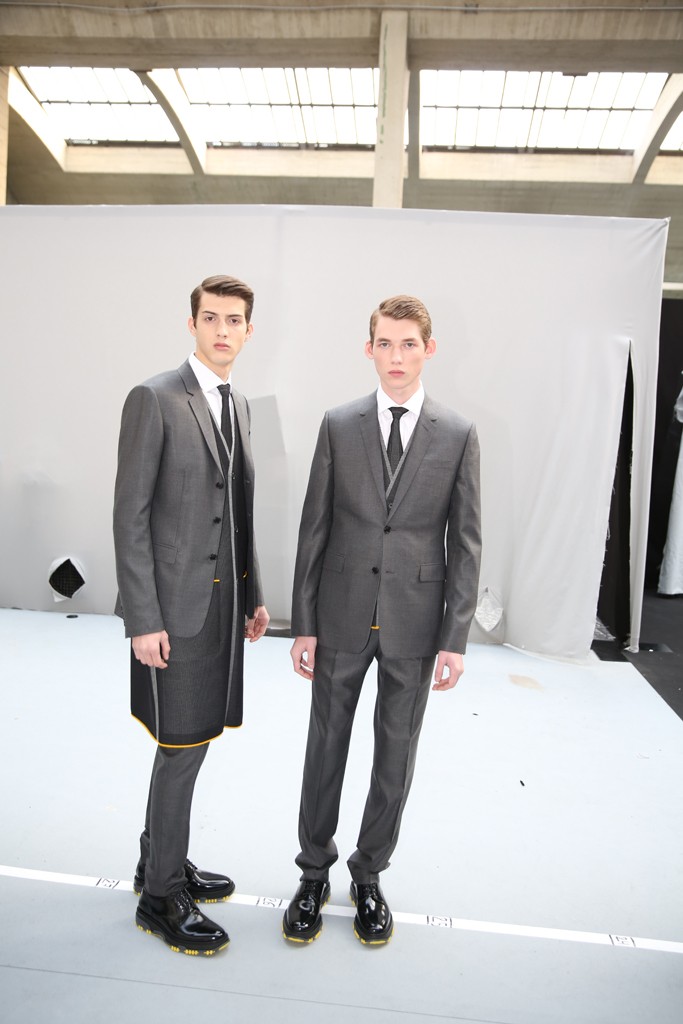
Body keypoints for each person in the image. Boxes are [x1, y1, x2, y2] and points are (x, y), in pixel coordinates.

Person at [282, 295, 481, 945]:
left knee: (395, 755)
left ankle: (368, 875)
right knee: (324, 748)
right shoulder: (339, 424)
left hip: (415, 623)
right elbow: (314, 527)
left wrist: (454, 637)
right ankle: (313, 873)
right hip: (339, 614)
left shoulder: (457, 434)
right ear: (368, 349)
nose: (396, 356)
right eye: (385, 344)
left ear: (429, 349)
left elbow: (466, 541)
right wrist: (303, 622)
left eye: (408, 344)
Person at [113, 274, 269, 956]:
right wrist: (142, 619)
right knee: (180, 748)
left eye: (234, 320)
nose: (222, 330)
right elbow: (130, 517)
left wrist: (253, 592)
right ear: (193, 324)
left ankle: (160, 859)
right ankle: (159, 897)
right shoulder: (154, 398)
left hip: (222, 608)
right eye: (211, 318)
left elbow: (237, 511)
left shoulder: (238, 404)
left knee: (192, 740)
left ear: (248, 331)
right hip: (172, 612)